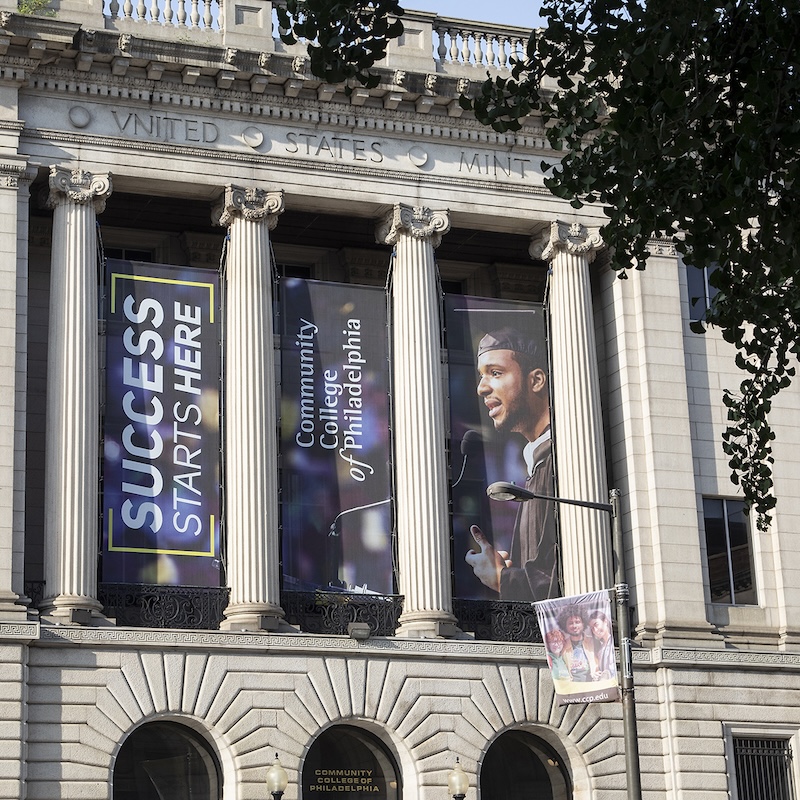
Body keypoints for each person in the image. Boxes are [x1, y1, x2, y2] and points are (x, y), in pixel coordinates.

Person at [464, 327, 558, 601]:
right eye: (482, 376)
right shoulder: (538, 463)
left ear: (536, 380)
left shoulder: (562, 460)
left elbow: (567, 578)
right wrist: (510, 572)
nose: (481, 388)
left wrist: (502, 578)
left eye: (495, 373)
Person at [557, 605, 598, 683]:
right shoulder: (562, 646)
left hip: (592, 686)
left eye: (577, 622)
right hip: (571, 687)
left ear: (583, 623)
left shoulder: (593, 642)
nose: (574, 626)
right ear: (565, 626)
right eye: (570, 623)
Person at [588, 609, 616, 681]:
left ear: (605, 621)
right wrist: (596, 674)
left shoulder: (615, 642)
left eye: (596, 625)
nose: (595, 630)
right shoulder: (600, 648)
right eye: (592, 628)